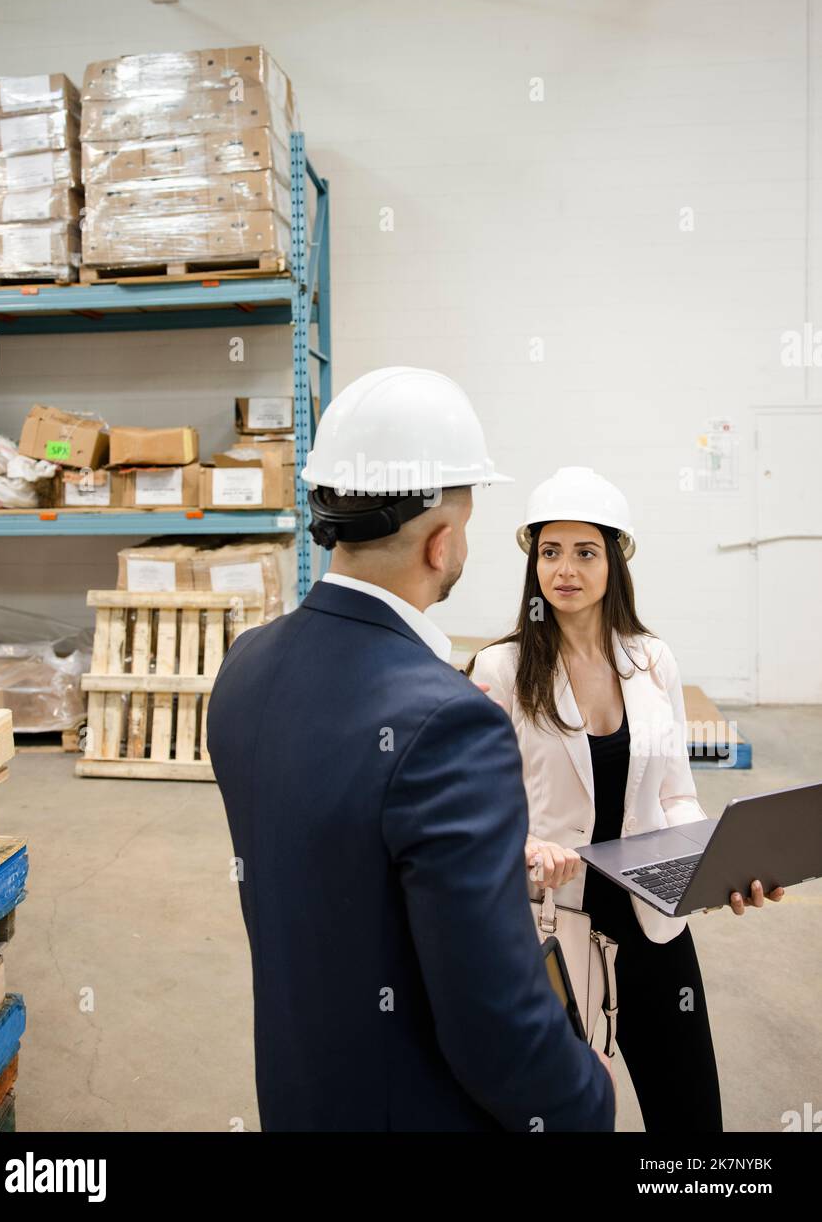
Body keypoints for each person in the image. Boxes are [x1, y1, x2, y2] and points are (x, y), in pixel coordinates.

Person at [208, 370, 615, 1132]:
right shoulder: (450, 724)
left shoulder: (244, 668)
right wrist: (586, 1098)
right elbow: (496, 1029)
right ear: (442, 542)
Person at [469, 466, 785, 1132]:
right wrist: (528, 847)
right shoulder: (502, 668)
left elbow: (676, 794)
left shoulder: (651, 661)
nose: (564, 569)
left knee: (691, 1121)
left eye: (585, 552)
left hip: (653, 920)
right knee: (555, 1116)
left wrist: (721, 866)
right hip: (551, 927)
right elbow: (479, 810)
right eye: (549, 551)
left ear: (615, 561)